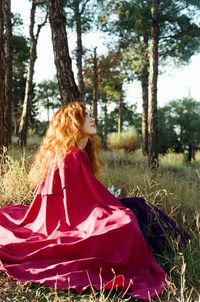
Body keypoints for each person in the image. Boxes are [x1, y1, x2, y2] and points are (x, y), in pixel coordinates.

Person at [0, 101, 188, 300]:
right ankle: (179, 247)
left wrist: (111, 203)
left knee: (139, 205)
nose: (93, 118)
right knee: (130, 217)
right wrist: (113, 209)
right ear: (73, 123)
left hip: (82, 212)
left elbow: (84, 194)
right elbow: (78, 204)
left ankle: (179, 245)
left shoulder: (71, 154)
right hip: (79, 219)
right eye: (87, 116)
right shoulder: (72, 156)